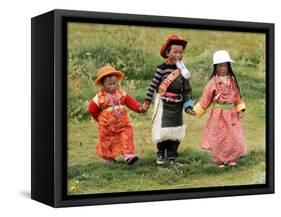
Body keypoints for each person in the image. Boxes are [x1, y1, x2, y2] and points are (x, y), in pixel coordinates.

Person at [142, 34, 194, 165]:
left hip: (177, 105)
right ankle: (160, 153)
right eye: (175, 52)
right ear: (167, 52)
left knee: (175, 131)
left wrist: (188, 105)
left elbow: (187, 89)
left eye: (181, 52)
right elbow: (153, 86)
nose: (178, 54)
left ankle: (172, 157)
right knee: (162, 130)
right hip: (163, 104)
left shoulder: (182, 70)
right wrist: (146, 102)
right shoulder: (161, 69)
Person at [193, 50, 247, 167]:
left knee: (232, 136)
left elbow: (237, 95)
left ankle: (231, 158)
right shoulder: (213, 83)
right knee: (219, 137)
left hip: (231, 114)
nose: (223, 68)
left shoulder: (232, 81)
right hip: (218, 114)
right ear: (215, 67)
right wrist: (196, 110)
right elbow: (206, 99)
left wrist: (240, 108)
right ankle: (220, 160)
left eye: (226, 65)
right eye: (221, 66)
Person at [88, 65, 143, 165]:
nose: (113, 86)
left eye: (114, 83)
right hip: (107, 126)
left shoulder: (121, 93)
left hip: (123, 123)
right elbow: (92, 109)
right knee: (107, 141)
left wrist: (139, 108)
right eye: (109, 84)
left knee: (127, 135)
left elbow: (130, 102)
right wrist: (100, 119)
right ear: (102, 84)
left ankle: (128, 155)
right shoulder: (100, 96)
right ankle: (108, 158)